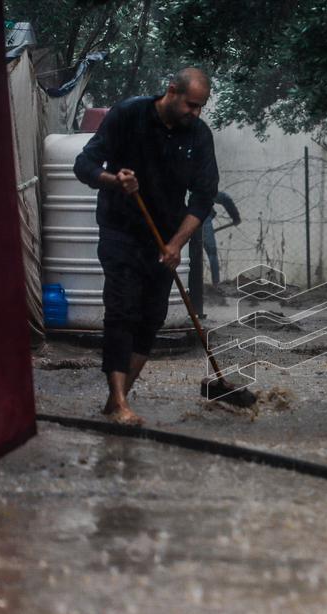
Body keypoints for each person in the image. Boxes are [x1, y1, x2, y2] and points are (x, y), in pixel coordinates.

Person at [74, 67, 218, 426]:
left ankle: (115, 400)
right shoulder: (128, 115)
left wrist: (175, 244)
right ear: (171, 90)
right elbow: (84, 165)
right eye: (191, 105)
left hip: (163, 241)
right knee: (122, 311)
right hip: (120, 231)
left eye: (201, 107)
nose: (195, 113)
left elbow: (203, 198)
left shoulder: (198, 136)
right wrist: (114, 180)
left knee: (151, 318)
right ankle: (121, 403)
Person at [201, 191, 241, 288]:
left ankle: (194, 284)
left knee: (191, 255)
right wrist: (235, 217)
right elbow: (225, 198)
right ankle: (216, 285)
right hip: (203, 219)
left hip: (185, 222)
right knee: (212, 253)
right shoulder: (203, 186)